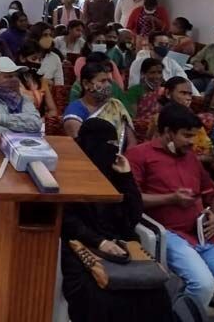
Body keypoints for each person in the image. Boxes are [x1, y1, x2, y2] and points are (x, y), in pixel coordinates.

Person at [127, 103, 214, 322]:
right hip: (168, 233)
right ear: (168, 131)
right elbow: (132, 200)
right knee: (203, 284)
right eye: (187, 136)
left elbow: (212, 194)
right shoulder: (139, 155)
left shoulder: (190, 158)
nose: (192, 142)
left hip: (204, 232)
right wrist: (171, 199)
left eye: (194, 136)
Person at [60, 117, 174, 322]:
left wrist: (126, 177)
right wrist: (100, 242)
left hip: (122, 247)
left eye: (115, 144)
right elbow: (66, 220)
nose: (112, 150)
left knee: (155, 295)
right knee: (101, 299)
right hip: (80, 247)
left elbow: (133, 216)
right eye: (107, 144)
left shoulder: (114, 172)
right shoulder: (70, 173)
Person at [62, 63, 135, 141]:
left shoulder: (115, 105)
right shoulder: (74, 114)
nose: (108, 85)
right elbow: (81, 148)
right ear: (86, 84)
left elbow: (131, 141)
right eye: (103, 81)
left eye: (109, 81)